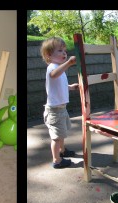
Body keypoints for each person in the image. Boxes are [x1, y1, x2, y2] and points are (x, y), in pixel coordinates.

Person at [41, 37, 79, 168]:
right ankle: (57, 160)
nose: (64, 53)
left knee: (61, 133)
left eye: (65, 51)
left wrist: (70, 87)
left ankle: (62, 151)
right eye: (60, 50)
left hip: (61, 109)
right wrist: (68, 63)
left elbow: (58, 84)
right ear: (49, 55)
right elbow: (53, 76)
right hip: (54, 111)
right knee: (56, 137)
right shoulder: (52, 67)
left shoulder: (59, 69)